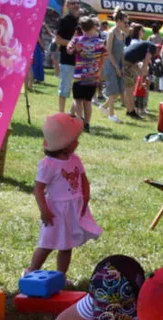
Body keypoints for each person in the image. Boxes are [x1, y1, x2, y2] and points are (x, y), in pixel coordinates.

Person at [27, 114, 101, 275]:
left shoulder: (75, 159)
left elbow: (83, 179)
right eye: (75, 140)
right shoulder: (48, 164)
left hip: (73, 209)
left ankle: (60, 275)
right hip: (56, 211)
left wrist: (85, 197)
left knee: (67, 246)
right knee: (47, 244)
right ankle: (31, 271)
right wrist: (44, 210)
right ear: (65, 145)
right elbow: (38, 189)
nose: (78, 143)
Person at [68, 16, 105, 132]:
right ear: (93, 26)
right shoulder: (100, 42)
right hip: (93, 75)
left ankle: (79, 122)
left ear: (81, 27)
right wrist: (99, 71)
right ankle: (87, 124)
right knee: (88, 101)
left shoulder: (77, 40)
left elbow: (69, 50)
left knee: (78, 100)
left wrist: (74, 39)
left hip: (79, 75)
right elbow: (104, 57)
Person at [102, 10, 128, 123]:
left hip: (118, 64)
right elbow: (108, 51)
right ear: (118, 21)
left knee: (119, 90)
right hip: (110, 64)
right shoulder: (111, 33)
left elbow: (122, 52)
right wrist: (116, 67)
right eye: (124, 22)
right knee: (113, 90)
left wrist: (122, 65)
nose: (126, 24)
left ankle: (104, 106)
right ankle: (111, 114)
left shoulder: (122, 34)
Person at [55, 0, 81, 115]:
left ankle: (71, 113)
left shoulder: (82, 21)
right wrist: (73, 43)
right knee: (65, 88)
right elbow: (58, 40)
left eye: (77, 3)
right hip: (67, 60)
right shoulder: (64, 20)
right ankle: (61, 114)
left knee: (79, 89)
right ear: (67, 5)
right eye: (72, 3)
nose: (76, 5)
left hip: (82, 61)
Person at [123, 37, 158, 118]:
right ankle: (131, 111)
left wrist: (140, 75)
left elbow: (136, 64)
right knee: (129, 88)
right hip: (126, 62)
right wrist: (142, 81)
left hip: (126, 61)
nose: (155, 55)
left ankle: (130, 110)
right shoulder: (152, 47)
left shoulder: (143, 48)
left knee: (130, 88)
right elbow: (145, 65)